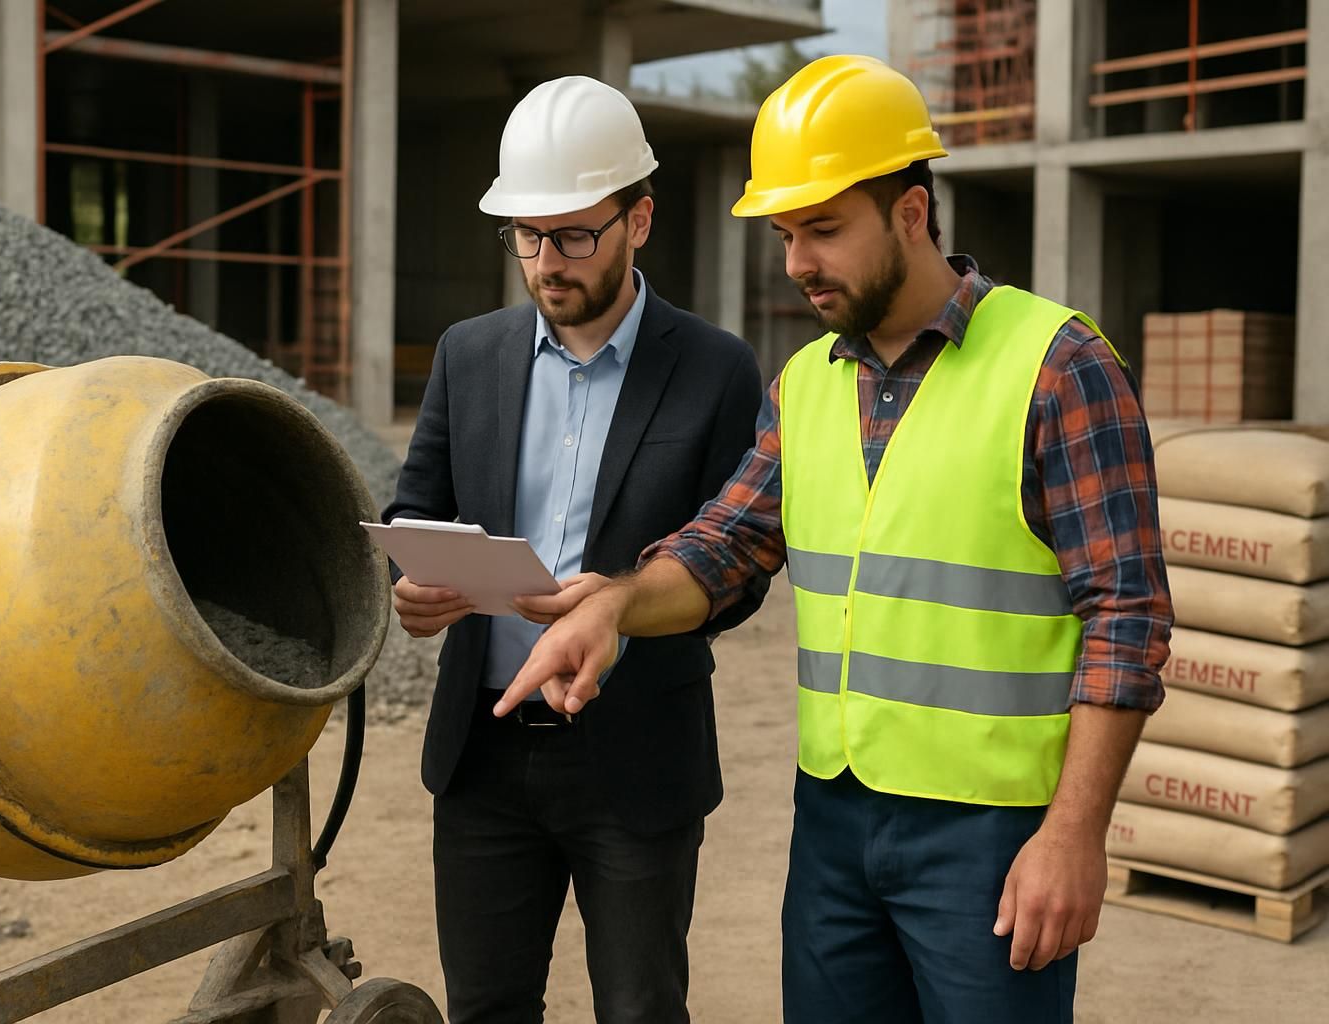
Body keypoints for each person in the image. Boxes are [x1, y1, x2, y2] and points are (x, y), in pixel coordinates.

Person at [498, 55, 1173, 1023]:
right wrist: (616, 604)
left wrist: (1073, 834)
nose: (797, 263)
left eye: (823, 229)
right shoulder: (805, 383)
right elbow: (726, 544)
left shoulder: (1057, 366)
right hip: (834, 820)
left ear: (910, 212)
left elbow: (1127, 613)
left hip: (991, 832)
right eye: (784, 234)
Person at [383, 75, 766, 1024]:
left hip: (636, 759)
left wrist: (626, 603)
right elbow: (416, 509)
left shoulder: (715, 368)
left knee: (639, 1011)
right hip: (482, 755)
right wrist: (413, 586)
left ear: (640, 220)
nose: (547, 262)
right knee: (485, 1008)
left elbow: (740, 572)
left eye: (574, 236)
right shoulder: (468, 354)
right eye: (527, 235)